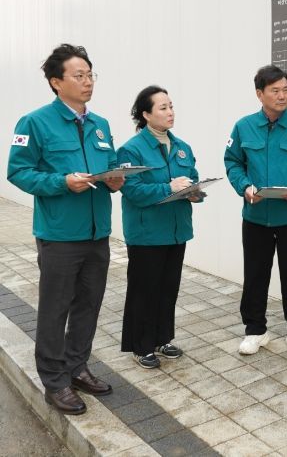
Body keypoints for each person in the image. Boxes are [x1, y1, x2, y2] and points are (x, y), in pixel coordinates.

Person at [7, 44, 124, 415]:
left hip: (97, 233)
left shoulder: (100, 124)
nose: (88, 81)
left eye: (90, 74)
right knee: (55, 309)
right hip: (59, 235)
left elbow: (108, 165)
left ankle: (77, 367)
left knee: (89, 305)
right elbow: (18, 172)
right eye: (79, 75)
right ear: (56, 82)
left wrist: (115, 180)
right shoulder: (34, 122)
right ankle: (55, 381)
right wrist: (61, 182)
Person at [224, 65, 287, 356]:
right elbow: (233, 162)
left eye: (286, 90)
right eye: (275, 90)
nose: (282, 95)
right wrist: (244, 186)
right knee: (255, 274)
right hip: (255, 216)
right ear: (260, 94)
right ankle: (255, 330)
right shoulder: (243, 127)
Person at [118, 85, 202, 369]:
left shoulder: (182, 148)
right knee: (144, 290)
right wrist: (168, 187)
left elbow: (191, 178)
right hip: (147, 233)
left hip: (176, 230)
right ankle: (141, 345)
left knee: (168, 288)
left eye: (171, 106)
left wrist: (194, 192)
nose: (170, 112)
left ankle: (163, 338)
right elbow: (132, 190)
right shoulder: (131, 149)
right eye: (163, 107)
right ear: (146, 114)